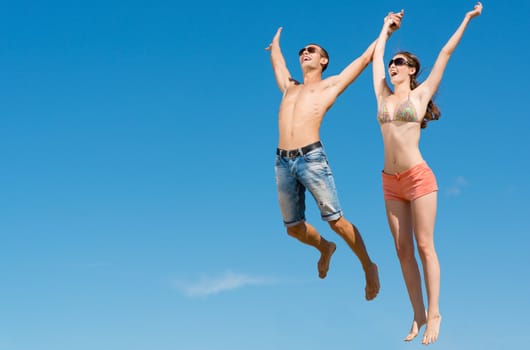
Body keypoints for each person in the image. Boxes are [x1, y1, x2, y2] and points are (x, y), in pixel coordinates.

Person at [265, 12, 402, 301]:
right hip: (282, 161)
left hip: (310, 158)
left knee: (336, 221)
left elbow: (364, 60)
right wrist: (275, 44)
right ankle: (325, 248)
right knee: (294, 230)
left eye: (311, 50)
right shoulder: (290, 87)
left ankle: (368, 265)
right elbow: (278, 64)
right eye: (302, 50)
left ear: (323, 61)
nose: (304, 52)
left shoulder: (331, 85)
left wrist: (385, 31)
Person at [372, 2, 483, 344]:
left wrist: (467, 18)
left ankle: (435, 313)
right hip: (390, 181)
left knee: (424, 245)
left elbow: (446, 53)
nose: (392, 65)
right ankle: (417, 314)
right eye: (392, 62)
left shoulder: (421, 95)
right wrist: (386, 30)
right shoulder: (382, 95)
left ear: (412, 70)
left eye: (399, 62)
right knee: (402, 250)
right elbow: (375, 60)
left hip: (418, 177)